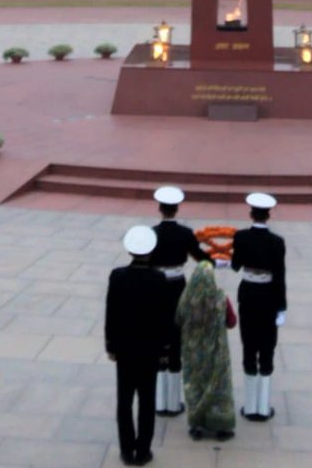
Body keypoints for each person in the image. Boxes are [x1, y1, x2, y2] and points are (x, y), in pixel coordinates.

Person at [105, 225, 170, 466]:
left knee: (124, 401)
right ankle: (143, 450)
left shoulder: (117, 276)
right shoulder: (159, 279)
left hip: (124, 348)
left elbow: (110, 313)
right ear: (151, 251)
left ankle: (126, 449)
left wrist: (110, 345)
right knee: (147, 400)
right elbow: (165, 318)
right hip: (150, 349)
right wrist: (165, 350)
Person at [148, 184, 212, 416]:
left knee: (156, 339)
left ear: (160, 209)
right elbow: (201, 257)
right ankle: (173, 402)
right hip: (177, 287)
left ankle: (158, 400)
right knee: (176, 339)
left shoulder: (151, 232)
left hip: (155, 288)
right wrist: (217, 261)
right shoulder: (185, 234)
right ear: (176, 209)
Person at [231, 190, 287, 421]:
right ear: (269, 215)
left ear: (251, 214)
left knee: (248, 344)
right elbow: (280, 276)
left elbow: (235, 265)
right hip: (268, 296)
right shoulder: (277, 242)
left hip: (248, 293)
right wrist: (281, 307)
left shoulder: (241, 237)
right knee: (267, 346)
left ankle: (250, 405)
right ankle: (263, 407)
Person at [175, 261, 236, 441]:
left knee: (195, 386)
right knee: (219, 388)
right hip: (217, 354)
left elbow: (178, 319)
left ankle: (196, 425)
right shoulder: (220, 299)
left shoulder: (186, 299)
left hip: (193, 354)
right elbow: (232, 322)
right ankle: (221, 427)